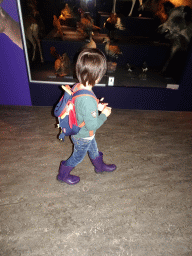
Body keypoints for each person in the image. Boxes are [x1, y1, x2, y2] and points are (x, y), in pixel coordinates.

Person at [57, 48, 116, 185]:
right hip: (83, 135)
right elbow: (92, 125)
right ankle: (62, 175)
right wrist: (104, 114)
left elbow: (81, 106)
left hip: (82, 131)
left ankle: (99, 167)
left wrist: (98, 107)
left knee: (94, 150)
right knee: (77, 157)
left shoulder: (78, 86)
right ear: (97, 76)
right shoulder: (88, 99)